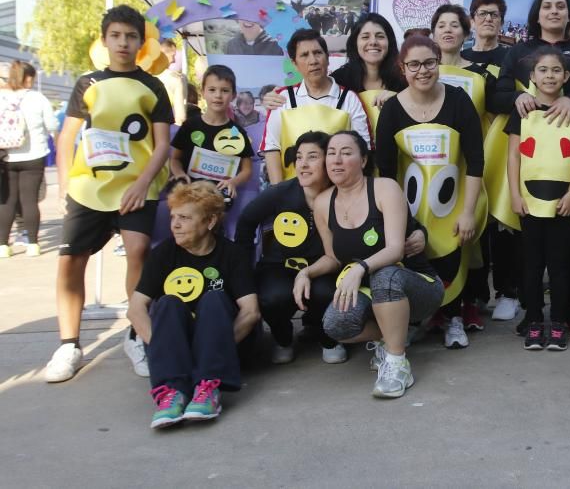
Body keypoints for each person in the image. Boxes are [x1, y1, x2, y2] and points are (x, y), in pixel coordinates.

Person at [46, 5, 173, 383]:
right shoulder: (87, 83)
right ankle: (69, 344)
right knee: (71, 259)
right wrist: (67, 184)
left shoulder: (153, 86)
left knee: (137, 251)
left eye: (131, 36)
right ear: (104, 40)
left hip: (138, 187)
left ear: (141, 42)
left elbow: (162, 144)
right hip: (89, 188)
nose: (123, 42)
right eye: (116, 35)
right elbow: (67, 136)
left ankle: (136, 334)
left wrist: (141, 184)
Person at [296, 131, 443, 398]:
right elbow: (333, 258)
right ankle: (388, 338)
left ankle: (398, 364)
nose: (336, 160)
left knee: (385, 275)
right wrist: (305, 272)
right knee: (335, 324)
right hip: (369, 292)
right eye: (331, 153)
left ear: (363, 160)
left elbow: (395, 249)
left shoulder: (384, 188)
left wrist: (360, 267)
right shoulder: (322, 203)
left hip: (417, 285)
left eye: (346, 152)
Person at [494, 0, 570, 337]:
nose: (554, 11)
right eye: (547, 6)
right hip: (530, 165)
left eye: (561, 6)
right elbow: (498, 94)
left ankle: (568, 310)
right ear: (536, 14)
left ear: (569, 15)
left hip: (566, 162)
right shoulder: (519, 52)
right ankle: (532, 312)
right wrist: (519, 96)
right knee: (528, 250)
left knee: (567, 248)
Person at [375, 35, 484, 350]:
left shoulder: (458, 100)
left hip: (452, 201)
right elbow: (385, 171)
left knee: (451, 260)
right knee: (412, 260)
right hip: (409, 205)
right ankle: (414, 320)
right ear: (402, 69)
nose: (422, 70)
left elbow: (476, 160)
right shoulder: (393, 109)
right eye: (414, 65)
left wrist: (467, 212)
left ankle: (453, 318)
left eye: (429, 63)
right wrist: (400, 224)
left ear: (439, 63)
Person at [127, 182, 260, 429]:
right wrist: (166, 351)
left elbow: (251, 312)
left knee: (214, 298)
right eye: (173, 217)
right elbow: (135, 309)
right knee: (167, 303)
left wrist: (210, 349)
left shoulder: (232, 254)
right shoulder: (164, 253)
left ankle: (208, 388)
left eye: (185, 218)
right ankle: (171, 393)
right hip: (178, 347)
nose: (174, 225)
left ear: (210, 222)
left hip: (224, 346)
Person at [236, 131, 346, 364]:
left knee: (327, 292)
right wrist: (243, 268)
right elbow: (246, 221)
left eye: (312, 157)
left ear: (328, 160)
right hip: (280, 265)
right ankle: (283, 339)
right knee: (272, 297)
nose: (303, 165)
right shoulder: (281, 192)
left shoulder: (342, 193)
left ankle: (328, 337)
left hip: (325, 267)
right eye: (299, 157)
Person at [506, 48, 570, 350]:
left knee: (560, 265)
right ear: (532, 77)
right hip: (529, 204)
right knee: (530, 265)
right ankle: (532, 319)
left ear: (566, 76)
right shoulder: (522, 114)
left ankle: (557, 321)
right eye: (543, 70)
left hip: (561, 204)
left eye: (556, 70)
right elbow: (514, 156)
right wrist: (515, 195)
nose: (550, 76)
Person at [430, 3, 493, 331]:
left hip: (470, 171)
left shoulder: (480, 76)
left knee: (472, 240)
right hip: (433, 174)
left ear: (466, 34)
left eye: (455, 25)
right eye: (441, 24)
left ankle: (470, 302)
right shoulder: (422, 73)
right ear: (433, 33)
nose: (448, 30)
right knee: (438, 241)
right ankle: (438, 306)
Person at [465, 0, 520, 322]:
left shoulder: (511, 58)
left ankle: (508, 291)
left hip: (501, 147)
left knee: (503, 221)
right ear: (471, 20)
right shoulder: (455, 58)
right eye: (482, 13)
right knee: (474, 221)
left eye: (495, 15)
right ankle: (475, 294)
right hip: (466, 152)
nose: (488, 19)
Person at [261, 29, 369, 184]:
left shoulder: (349, 99)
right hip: (292, 193)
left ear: (327, 57)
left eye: (318, 52)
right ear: (294, 63)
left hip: (338, 193)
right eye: (304, 55)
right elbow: (272, 148)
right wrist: (279, 195)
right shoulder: (282, 98)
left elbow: (363, 149)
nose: (313, 60)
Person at [169, 65, 253, 202]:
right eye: (212, 90)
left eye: (225, 91)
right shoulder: (189, 126)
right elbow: (175, 159)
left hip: (218, 198)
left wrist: (233, 182)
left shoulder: (237, 133)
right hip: (189, 195)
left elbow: (247, 170)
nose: (218, 96)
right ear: (203, 92)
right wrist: (179, 174)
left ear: (233, 95)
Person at [0, 61, 58, 257]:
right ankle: (33, 244)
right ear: (28, 77)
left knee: (7, 201)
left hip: (5, 155)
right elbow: (52, 125)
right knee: (29, 201)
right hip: (34, 155)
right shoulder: (37, 98)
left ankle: (3, 246)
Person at [330, 12, 406, 135]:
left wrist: (401, 100)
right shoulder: (339, 80)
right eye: (365, 37)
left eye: (380, 36)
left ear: (389, 42)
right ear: (355, 43)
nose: (373, 42)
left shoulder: (405, 79)